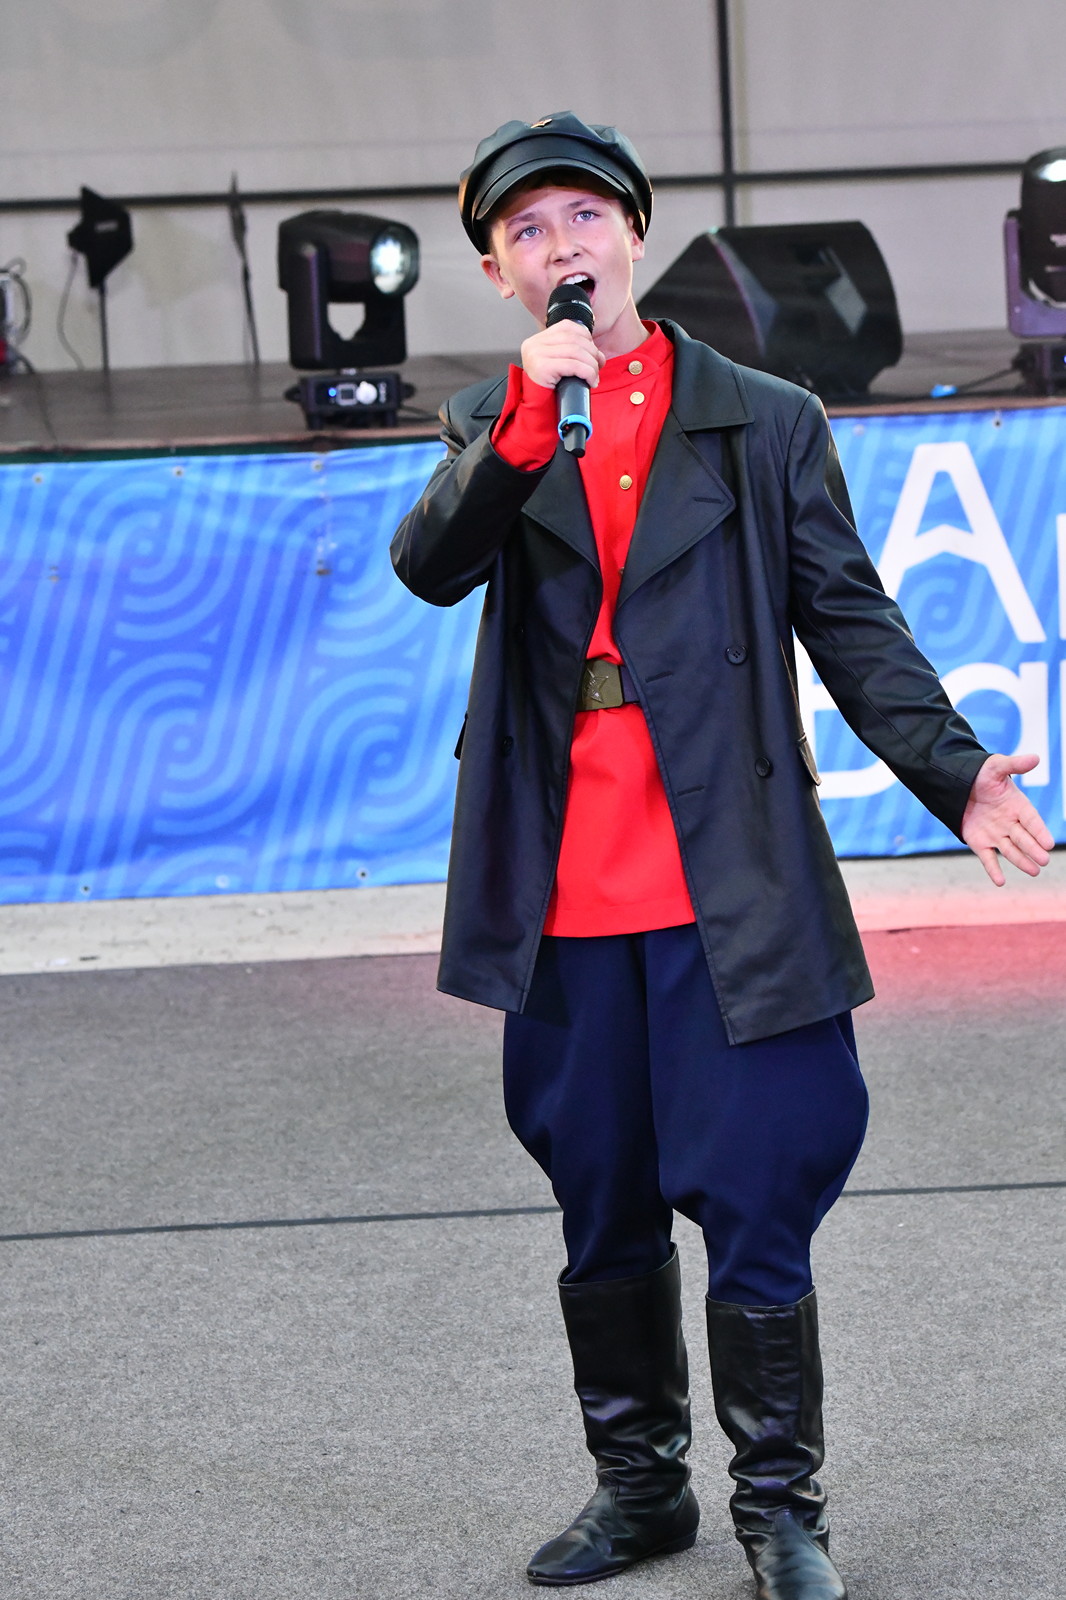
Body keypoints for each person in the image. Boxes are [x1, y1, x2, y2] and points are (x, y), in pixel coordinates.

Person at [390, 113, 1053, 1599]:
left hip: (727, 872)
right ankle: (640, 1491)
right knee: (599, 1194)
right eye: (526, 232)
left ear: (634, 232)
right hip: (562, 877)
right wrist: (520, 425)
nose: (561, 248)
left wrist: (952, 771)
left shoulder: (763, 416)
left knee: (757, 1187)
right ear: (499, 274)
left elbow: (851, 619)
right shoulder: (491, 420)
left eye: (583, 217)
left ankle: (779, 1512)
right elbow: (429, 565)